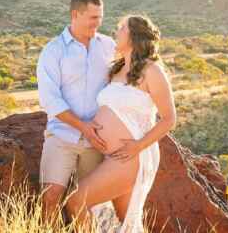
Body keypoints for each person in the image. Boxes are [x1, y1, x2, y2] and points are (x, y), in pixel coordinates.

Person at [65, 14, 177, 233]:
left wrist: (138, 146)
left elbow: (170, 119)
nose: (116, 32)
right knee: (126, 221)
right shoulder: (116, 70)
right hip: (109, 157)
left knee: (76, 201)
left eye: (121, 28)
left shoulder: (151, 70)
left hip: (129, 157)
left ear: (134, 36)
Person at [36, 0, 116, 225]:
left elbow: (121, 84)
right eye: (93, 17)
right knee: (49, 199)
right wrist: (83, 126)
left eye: (100, 17)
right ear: (75, 14)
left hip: (97, 142)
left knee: (87, 203)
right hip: (61, 136)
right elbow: (50, 99)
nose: (98, 23)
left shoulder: (109, 46)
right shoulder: (53, 51)